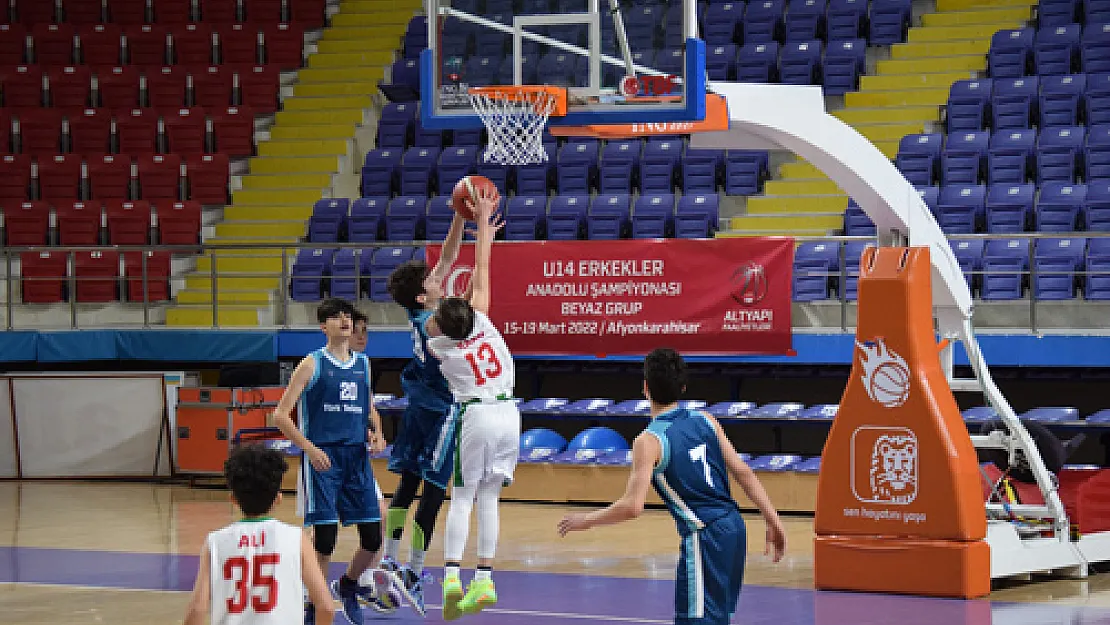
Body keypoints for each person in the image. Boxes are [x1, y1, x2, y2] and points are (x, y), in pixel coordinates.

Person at [557, 348, 788, 625]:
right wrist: (773, 520)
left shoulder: (649, 441)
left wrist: (587, 520)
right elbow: (743, 473)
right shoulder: (706, 419)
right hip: (734, 527)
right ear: (683, 387)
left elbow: (633, 506)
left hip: (705, 536)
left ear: (645, 388)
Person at [271, 298, 399, 625]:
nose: (344, 321)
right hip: (324, 459)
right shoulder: (312, 364)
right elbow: (280, 416)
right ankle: (316, 604)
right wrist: (310, 449)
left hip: (356, 459)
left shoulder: (364, 364)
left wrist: (378, 433)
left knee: (372, 538)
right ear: (322, 326)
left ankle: (349, 584)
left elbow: (368, 408)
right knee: (324, 540)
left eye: (347, 316)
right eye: (335, 317)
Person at [423, 190, 517, 621]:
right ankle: (485, 580)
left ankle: (450, 579)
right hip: (509, 413)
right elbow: (481, 269)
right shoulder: (482, 320)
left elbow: (436, 310)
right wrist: (483, 226)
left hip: (475, 414)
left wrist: (472, 223)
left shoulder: (439, 345)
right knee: (490, 499)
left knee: (461, 497)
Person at [379, 208, 469, 615]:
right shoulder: (435, 324)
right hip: (439, 412)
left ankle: (388, 558)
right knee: (432, 492)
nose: (441, 276)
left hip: (416, 403)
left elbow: (447, 258)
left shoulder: (419, 310)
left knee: (406, 484)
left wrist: (460, 218)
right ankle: (413, 572)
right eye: (432, 279)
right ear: (422, 295)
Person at [182, 444, 336, 625]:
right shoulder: (297, 538)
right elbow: (325, 606)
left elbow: (197, 610)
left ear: (233, 499)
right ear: (278, 498)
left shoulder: (215, 541)